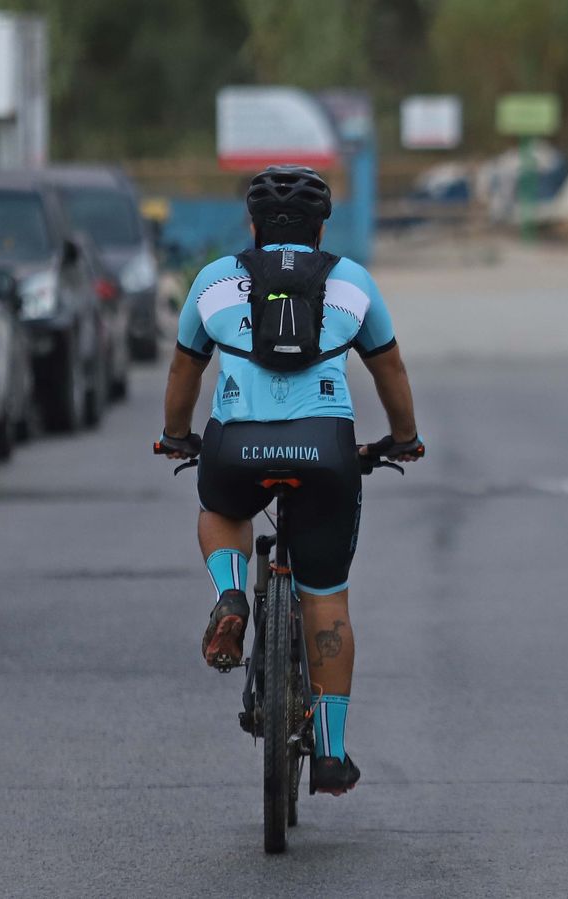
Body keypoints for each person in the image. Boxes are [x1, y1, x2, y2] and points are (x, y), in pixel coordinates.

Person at [157, 164, 424, 796]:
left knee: (222, 509)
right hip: (326, 450)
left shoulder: (216, 280)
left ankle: (230, 594)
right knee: (326, 592)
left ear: (250, 225)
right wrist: (404, 439)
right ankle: (331, 752)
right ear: (322, 226)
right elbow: (391, 371)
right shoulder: (351, 281)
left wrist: (176, 435)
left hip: (236, 446)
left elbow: (183, 373)